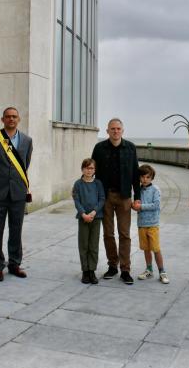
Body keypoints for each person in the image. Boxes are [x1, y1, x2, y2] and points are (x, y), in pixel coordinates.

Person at [0, 107, 33, 282]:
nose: (11, 119)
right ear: (2, 119)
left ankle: (14, 264)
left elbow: (24, 165)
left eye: (14, 117)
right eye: (8, 117)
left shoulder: (27, 140)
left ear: (18, 119)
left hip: (18, 193)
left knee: (16, 230)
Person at [91, 118, 141, 285]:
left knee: (125, 234)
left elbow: (135, 174)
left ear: (122, 130)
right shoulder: (99, 148)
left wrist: (138, 197)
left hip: (124, 197)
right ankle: (112, 266)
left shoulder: (130, 148)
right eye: (112, 129)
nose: (115, 131)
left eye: (118, 128)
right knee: (108, 233)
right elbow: (92, 173)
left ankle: (125, 269)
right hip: (105, 196)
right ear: (107, 131)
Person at [72, 158, 105, 284]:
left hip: (96, 218)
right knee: (84, 245)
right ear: (82, 169)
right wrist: (83, 214)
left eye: (91, 168)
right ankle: (85, 271)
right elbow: (77, 201)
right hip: (83, 218)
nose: (89, 170)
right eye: (86, 168)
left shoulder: (98, 184)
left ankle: (92, 270)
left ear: (94, 170)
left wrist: (94, 212)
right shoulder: (78, 184)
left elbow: (102, 199)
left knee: (93, 245)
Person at [135, 164, 169, 284]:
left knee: (156, 249)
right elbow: (135, 204)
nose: (145, 179)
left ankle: (162, 271)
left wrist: (140, 207)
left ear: (152, 178)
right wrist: (134, 206)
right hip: (141, 224)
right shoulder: (137, 190)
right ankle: (149, 269)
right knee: (146, 249)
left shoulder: (155, 190)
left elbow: (156, 205)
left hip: (153, 224)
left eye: (148, 177)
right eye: (143, 177)